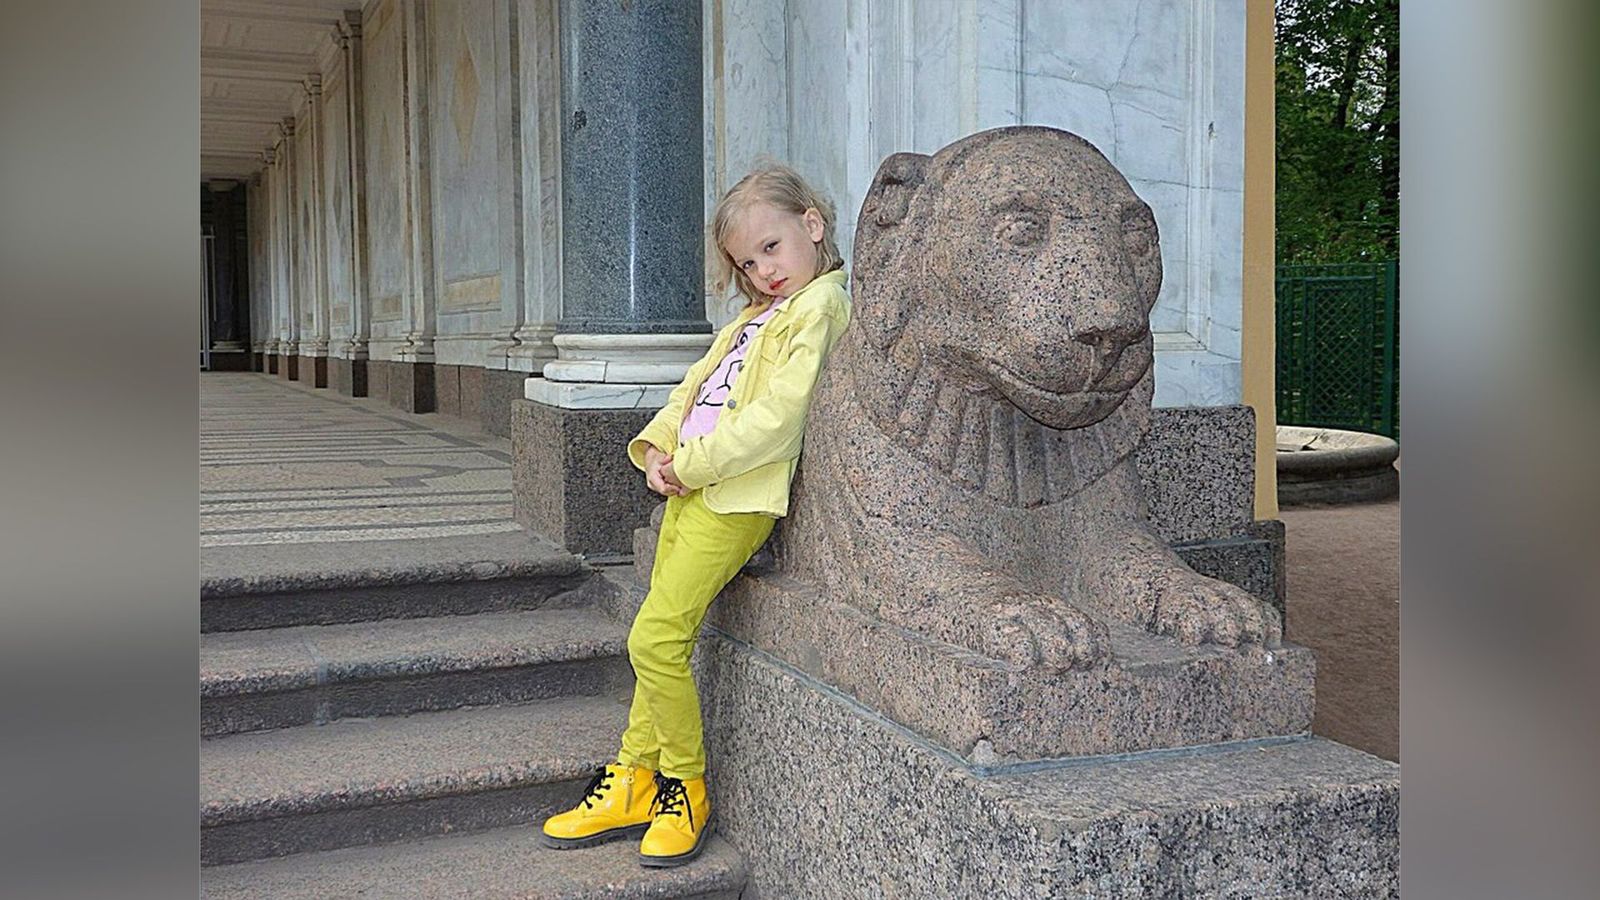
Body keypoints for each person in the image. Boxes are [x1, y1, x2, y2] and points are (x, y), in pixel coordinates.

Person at [540, 162, 852, 867]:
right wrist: (658, 446)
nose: (764, 270)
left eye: (771, 247)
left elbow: (780, 420)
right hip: (693, 488)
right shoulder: (753, 317)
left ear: (812, 225)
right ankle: (633, 777)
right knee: (660, 632)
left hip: (735, 498)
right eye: (748, 263)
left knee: (655, 640)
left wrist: (694, 464)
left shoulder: (821, 307)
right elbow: (694, 387)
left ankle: (684, 786)